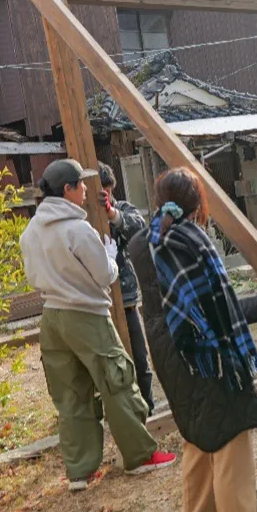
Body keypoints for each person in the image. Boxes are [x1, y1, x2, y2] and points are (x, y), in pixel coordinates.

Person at [131, 167, 257, 512]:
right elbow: (217, 311)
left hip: (169, 354)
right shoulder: (191, 243)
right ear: (198, 204)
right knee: (231, 442)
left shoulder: (143, 241)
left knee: (199, 439)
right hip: (205, 354)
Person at [19, 158, 176, 491]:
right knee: (116, 383)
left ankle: (80, 471)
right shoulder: (78, 229)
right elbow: (106, 275)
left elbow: (33, 276)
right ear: (68, 189)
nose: (88, 190)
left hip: (52, 317)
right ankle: (139, 456)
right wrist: (108, 252)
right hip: (87, 315)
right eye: (82, 184)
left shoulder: (31, 230)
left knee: (71, 395)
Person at [97, 162, 156, 415]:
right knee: (108, 367)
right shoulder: (82, 217)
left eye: (108, 191)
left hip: (127, 298)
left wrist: (112, 215)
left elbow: (139, 228)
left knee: (140, 361)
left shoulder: (122, 209)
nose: (105, 196)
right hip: (99, 303)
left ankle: (148, 409)